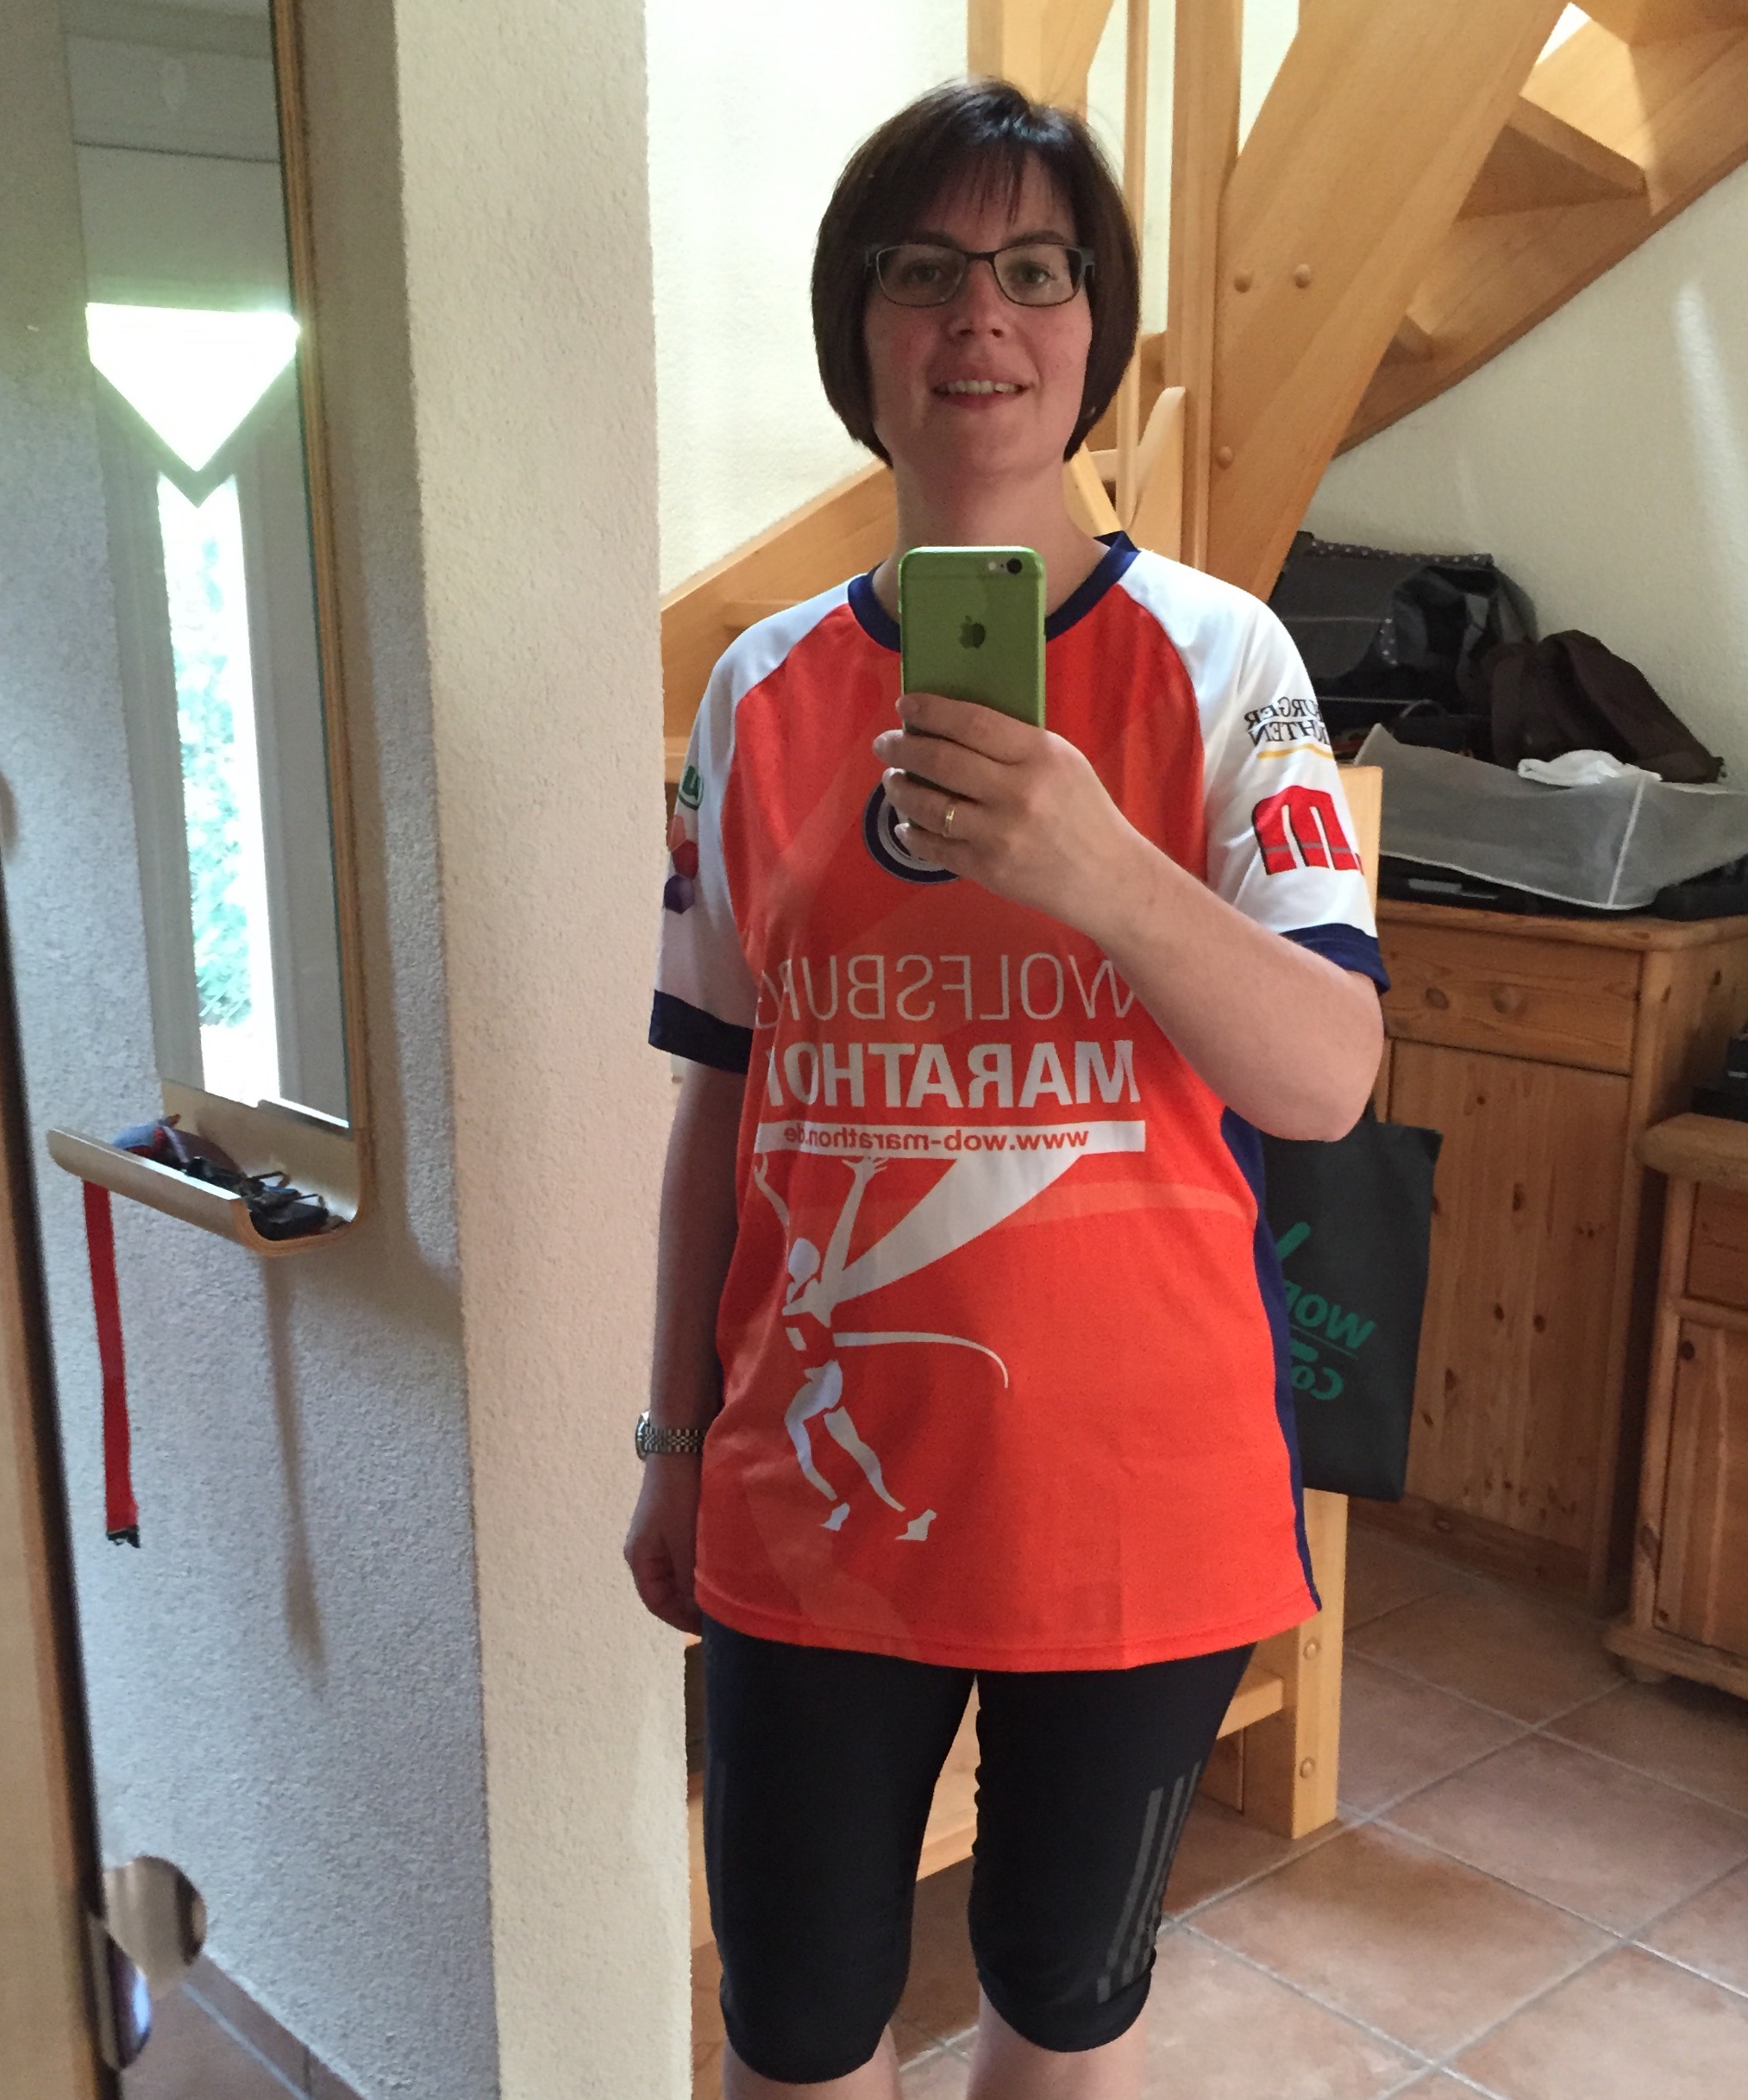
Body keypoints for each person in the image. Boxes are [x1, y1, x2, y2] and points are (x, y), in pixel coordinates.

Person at [627, 77, 1387, 2100]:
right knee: (795, 2019)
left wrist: (1097, 865)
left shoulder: (1228, 662)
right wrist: (669, 1439)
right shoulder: (759, 690)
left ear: (1093, 327)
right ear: (859, 333)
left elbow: (1328, 1077)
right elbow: (720, 1109)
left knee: (1063, 1999)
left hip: (1137, 1499)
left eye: (1036, 271)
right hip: (816, 1485)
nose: (982, 316)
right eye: (926, 270)